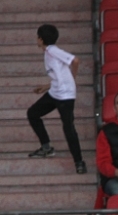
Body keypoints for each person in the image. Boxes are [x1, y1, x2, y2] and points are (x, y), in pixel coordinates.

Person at [27, 23, 86, 174]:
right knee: (33, 113)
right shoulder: (48, 52)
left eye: (37, 37)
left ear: (41, 39)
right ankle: (46, 148)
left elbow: (75, 60)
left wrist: (72, 78)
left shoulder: (53, 50)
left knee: (68, 128)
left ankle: (79, 162)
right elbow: (59, 75)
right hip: (55, 92)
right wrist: (46, 87)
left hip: (65, 96)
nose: (36, 39)